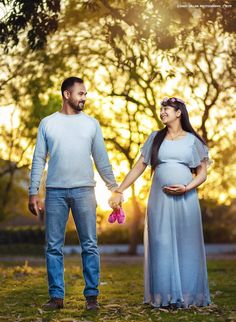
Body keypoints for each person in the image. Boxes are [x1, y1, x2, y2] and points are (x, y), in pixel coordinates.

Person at [109, 97, 211, 309]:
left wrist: (187, 187)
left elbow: (202, 174)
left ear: (178, 112)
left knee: (187, 244)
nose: (162, 112)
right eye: (161, 109)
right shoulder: (155, 138)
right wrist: (120, 189)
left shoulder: (193, 141)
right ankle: (163, 296)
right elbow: (139, 166)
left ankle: (188, 296)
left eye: (166, 109)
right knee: (161, 242)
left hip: (186, 198)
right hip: (159, 199)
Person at [28, 77, 121, 310]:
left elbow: (102, 159)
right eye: (81, 93)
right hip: (54, 192)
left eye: (85, 94)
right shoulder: (47, 123)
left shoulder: (92, 124)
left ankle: (92, 298)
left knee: (90, 245)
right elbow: (38, 159)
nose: (84, 98)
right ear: (67, 94)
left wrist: (114, 188)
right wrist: (33, 192)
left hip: (85, 191)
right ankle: (56, 297)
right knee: (53, 247)